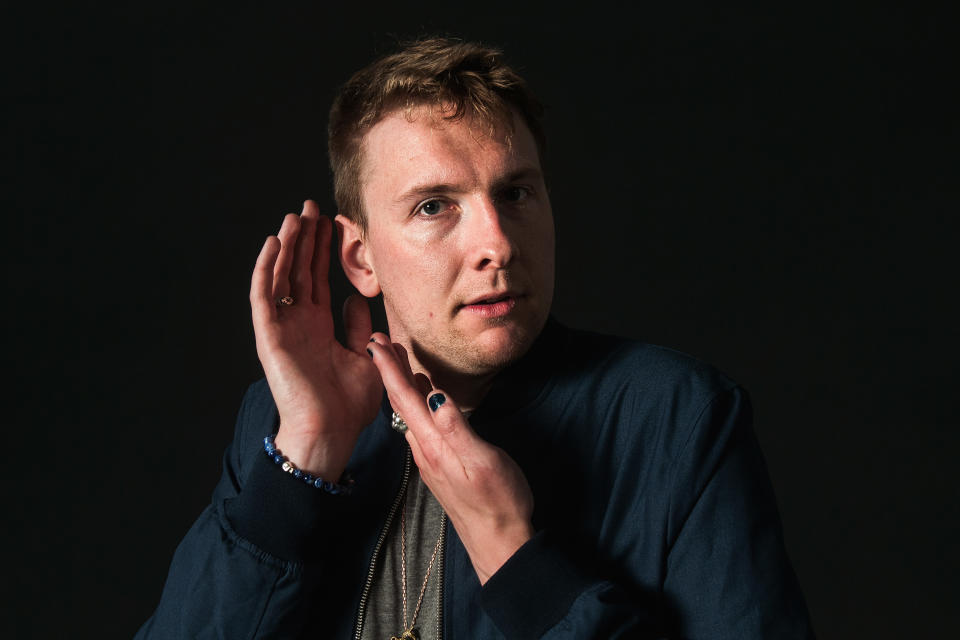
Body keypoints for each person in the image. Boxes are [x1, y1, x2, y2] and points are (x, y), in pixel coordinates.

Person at [136, 37, 815, 639]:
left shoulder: (674, 415)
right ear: (360, 258)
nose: (497, 243)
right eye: (435, 206)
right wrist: (305, 460)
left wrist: (515, 556)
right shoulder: (281, 422)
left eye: (516, 194)